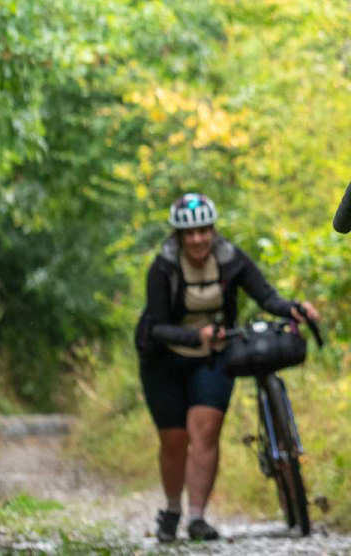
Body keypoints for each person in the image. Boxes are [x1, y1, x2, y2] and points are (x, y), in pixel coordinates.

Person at [134, 192, 319, 542]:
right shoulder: (162, 267)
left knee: (205, 430)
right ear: (178, 236)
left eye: (203, 231)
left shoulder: (231, 258)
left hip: (215, 356)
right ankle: (172, 509)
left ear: (212, 230)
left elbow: (266, 296)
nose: (197, 239)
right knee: (174, 439)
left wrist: (295, 309)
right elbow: (156, 325)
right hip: (163, 360)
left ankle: (198, 518)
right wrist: (195, 336)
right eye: (189, 234)